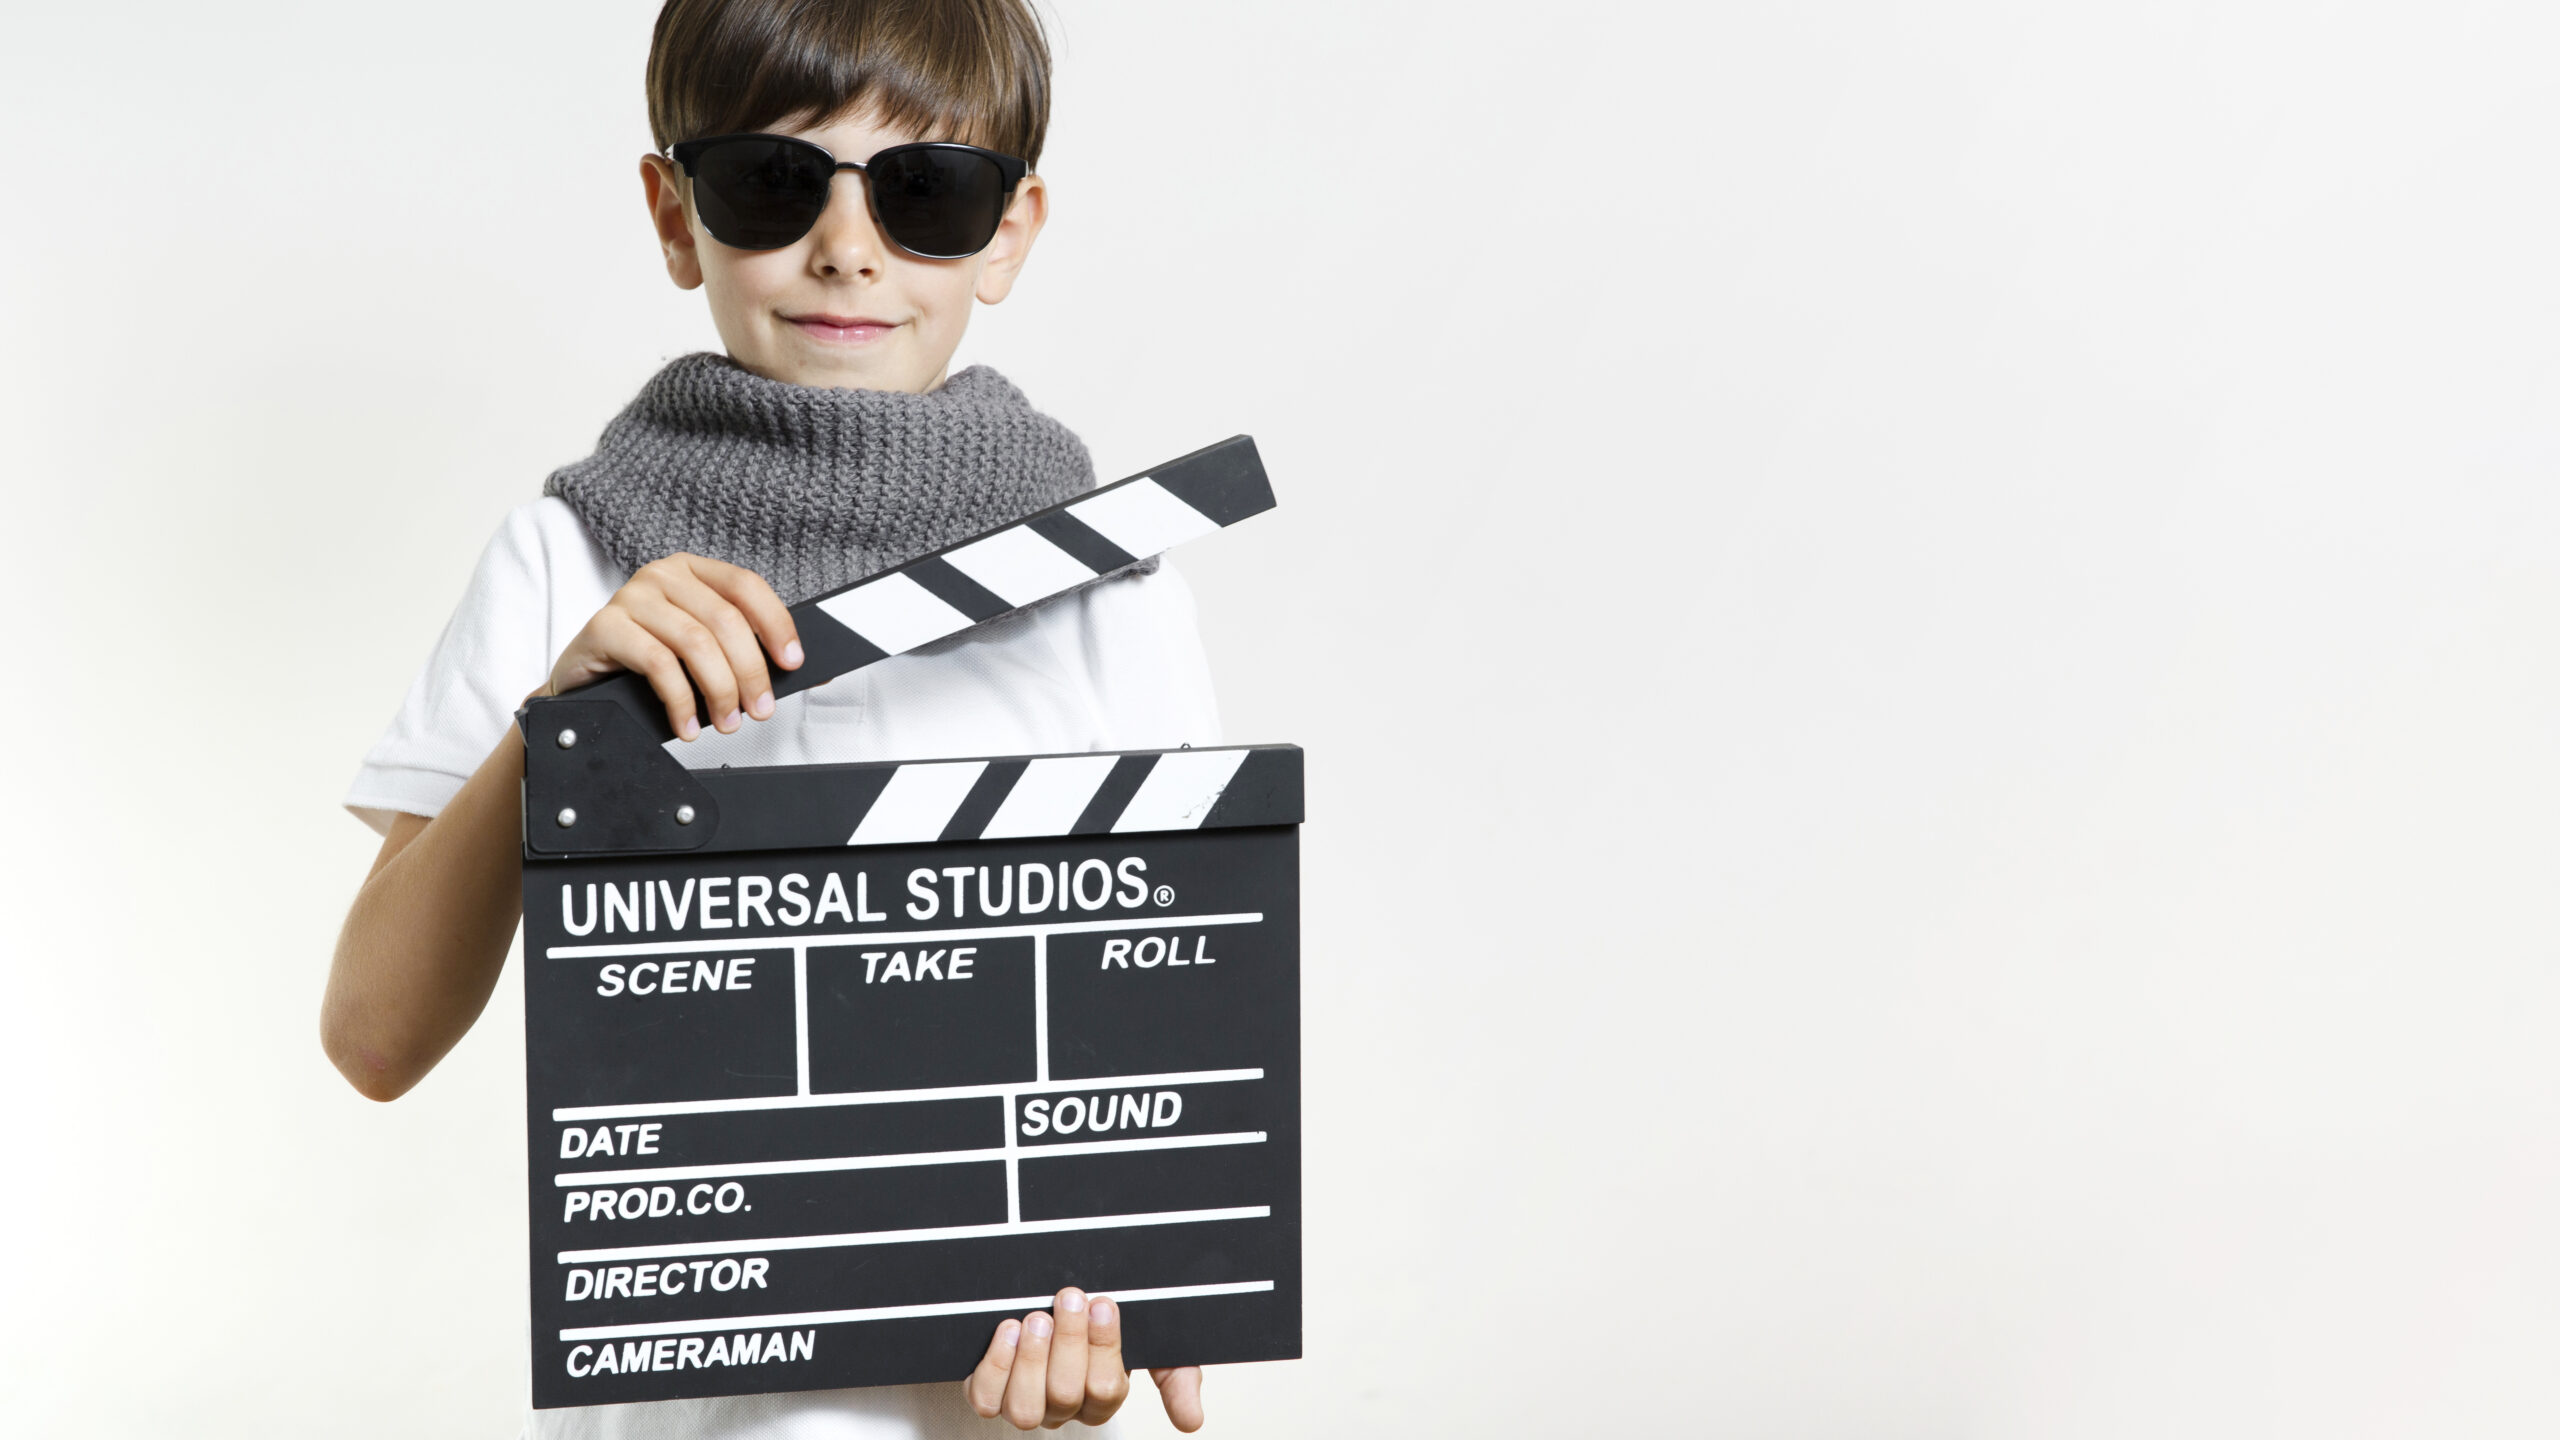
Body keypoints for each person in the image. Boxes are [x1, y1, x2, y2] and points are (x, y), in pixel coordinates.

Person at [323, 1, 1221, 1432]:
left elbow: (1171, 1056)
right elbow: (375, 1039)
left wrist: (1148, 1301)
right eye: (771, 182)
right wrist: (562, 731)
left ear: (1009, 232)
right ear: (673, 214)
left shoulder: (1109, 594)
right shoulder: (569, 564)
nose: (847, 248)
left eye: (927, 191)